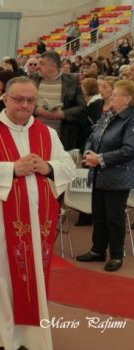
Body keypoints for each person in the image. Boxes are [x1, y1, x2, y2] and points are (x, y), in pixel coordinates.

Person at [0, 77, 75, 350]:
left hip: (39, 223)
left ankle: (32, 338)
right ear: (6, 99)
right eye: (18, 99)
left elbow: (68, 167)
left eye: (30, 100)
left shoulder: (47, 133)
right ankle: (5, 338)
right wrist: (12, 169)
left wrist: (48, 167)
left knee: (34, 277)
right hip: (1, 222)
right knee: (1, 276)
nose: (24, 105)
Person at [76, 80, 134, 272]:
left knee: (114, 219)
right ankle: (97, 250)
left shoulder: (131, 119)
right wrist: (87, 153)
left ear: (128, 99)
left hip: (118, 176)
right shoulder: (108, 115)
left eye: (116, 94)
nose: (111, 97)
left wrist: (99, 158)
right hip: (99, 173)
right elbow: (92, 137)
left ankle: (116, 255)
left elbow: (129, 150)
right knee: (99, 215)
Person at [29, 51, 86, 150]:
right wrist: (37, 110)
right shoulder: (31, 79)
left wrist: (63, 114)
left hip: (61, 139)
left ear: (53, 66)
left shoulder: (71, 81)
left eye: (42, 63)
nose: (37, 67)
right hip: (32, 136)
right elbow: (22, 102)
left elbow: (82, 108)